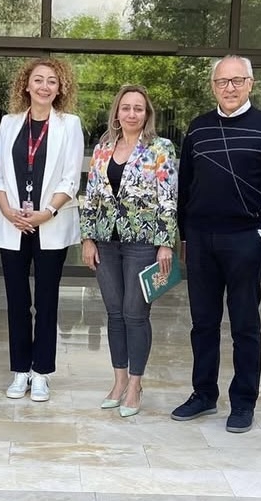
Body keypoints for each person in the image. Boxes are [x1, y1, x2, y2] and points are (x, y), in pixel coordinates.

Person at [171, 55, 261, 433]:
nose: (229, 88)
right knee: (203, 324)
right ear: (213, 86)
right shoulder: (198, 128)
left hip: (245, 240)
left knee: (244, 326)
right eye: (222, 82)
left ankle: (243, 402)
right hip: (201, 241)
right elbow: (185, 187)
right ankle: (203, 394)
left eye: (237, 81)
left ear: (250, 84)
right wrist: (186, 236)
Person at [80, 84, 177, 418]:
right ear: (117, 113)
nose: (132, 114)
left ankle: (135, 385)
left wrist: (165, 243)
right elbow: (91, 196)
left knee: (135, 314)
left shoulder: (161, 148)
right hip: (106, 241)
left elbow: (168, 198)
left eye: (138, 108)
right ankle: (119, 381)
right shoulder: (103, 148)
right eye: (126, 108)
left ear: (147, 114)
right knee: (115, 314)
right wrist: (87, 238)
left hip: (143, 243)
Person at [0, 58, 84, 402]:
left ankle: (41, 372)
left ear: (60, 89)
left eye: (52, 81)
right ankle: (20, 370)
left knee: (46, 302)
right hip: (13, 222)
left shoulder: (69, 124)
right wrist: (7, 210)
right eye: (38, 80)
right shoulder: (9, 123)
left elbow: (70, 178)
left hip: (50, 224)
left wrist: (47, 212)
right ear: (26, 85)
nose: (45, 86)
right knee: (17, 301)